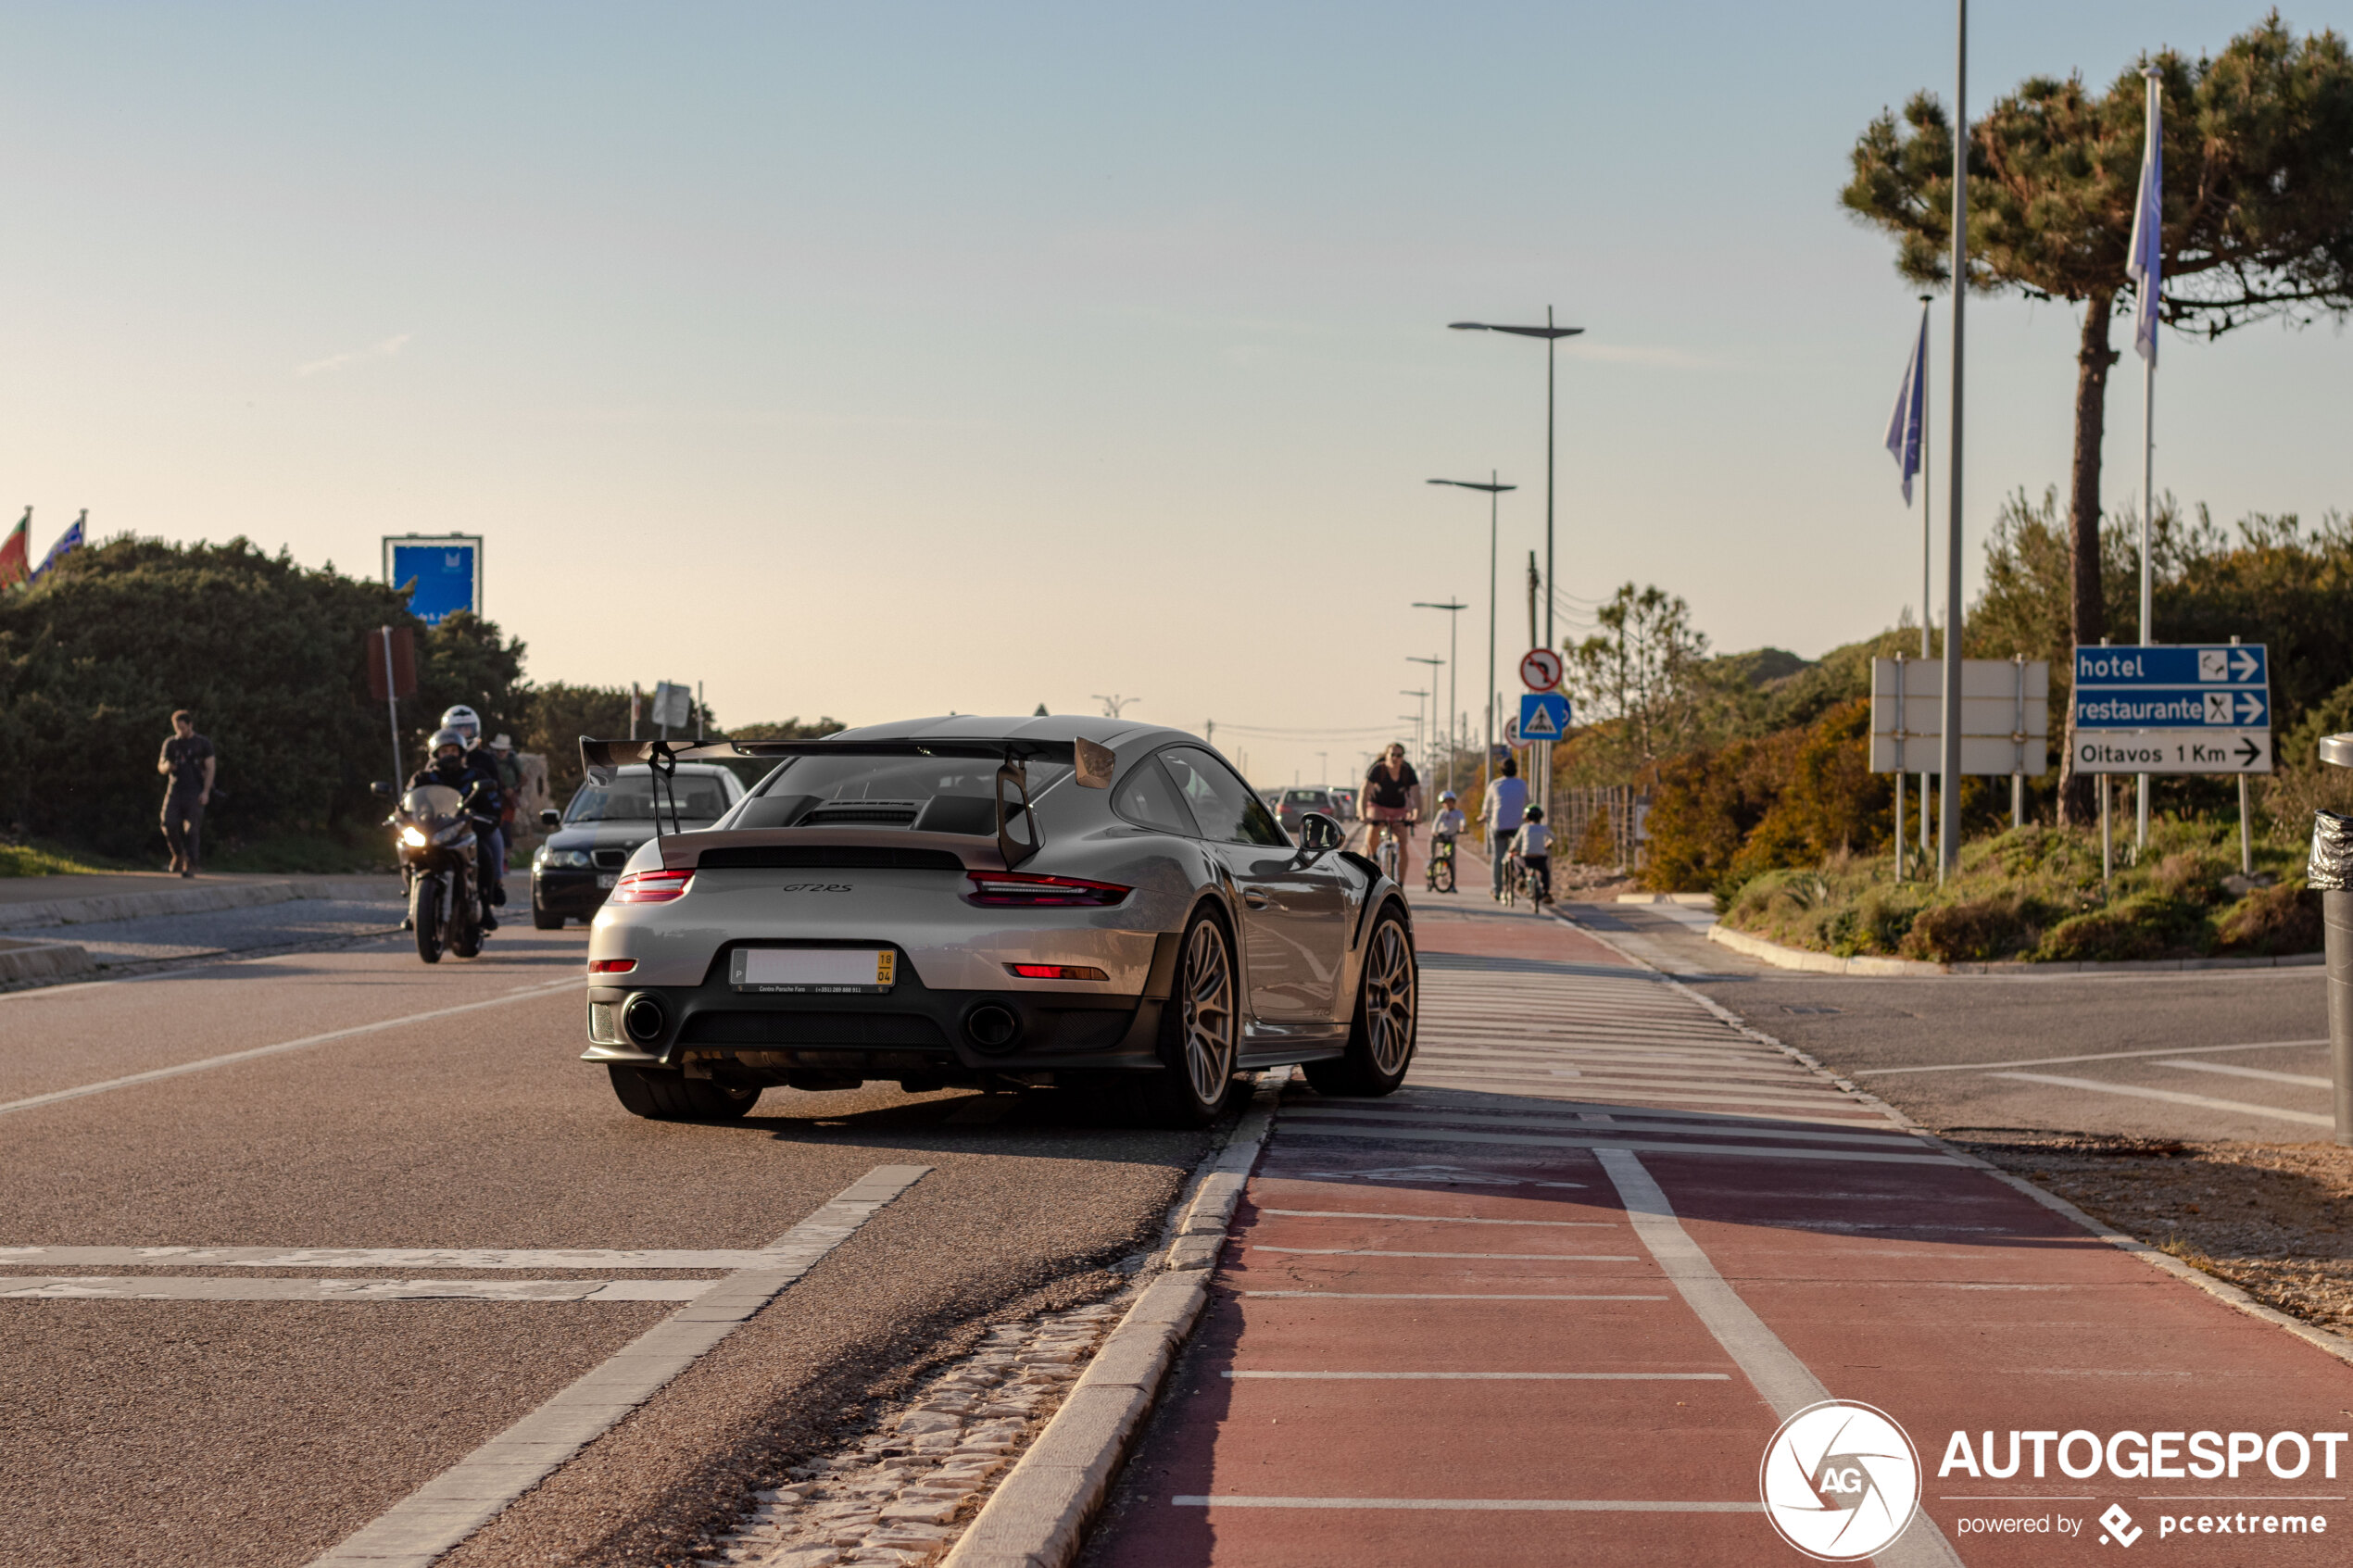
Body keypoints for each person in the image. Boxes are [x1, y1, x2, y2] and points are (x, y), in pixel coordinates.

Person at [409, 728, 502, 930]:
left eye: (453, 750)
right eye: (444, 751)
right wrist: (401, 817)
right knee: (406, 851)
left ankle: (485, 907)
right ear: (435, 754)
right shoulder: (422, 778)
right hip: (431, 833)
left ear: (461, 753)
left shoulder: (475, 776)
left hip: (464, 833)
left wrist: (480, 823)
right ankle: (413, 906)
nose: (449, 755)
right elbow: (407, 805)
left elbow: (493, 807)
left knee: (484, 855)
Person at [437, 705, 508, 908]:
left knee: (492, 841)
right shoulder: (435, 762)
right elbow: (421, 789)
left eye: (465, 730)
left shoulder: (484, 760)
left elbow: (496, 791)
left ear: (475, 730)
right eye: (456, 730)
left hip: (474, 819)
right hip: (442, 822)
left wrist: (489, 813)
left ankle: (495, 884)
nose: (461, 734)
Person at [157, 710, 215, 877]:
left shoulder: (203, 743)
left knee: (192, 830)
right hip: (174, 791)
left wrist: (206, 791)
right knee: (167, 823)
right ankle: (178, 855)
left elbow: (211, 768)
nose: (179, 732)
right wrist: (167, 767)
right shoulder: (171, 743)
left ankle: (190, 864)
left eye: (182, 728)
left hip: (195, 791)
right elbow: (160, 765)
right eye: (177, 728)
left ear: (190, 725)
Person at [1361, 742, 1421, 884]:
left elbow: (1416, 795)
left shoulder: (1407, 771)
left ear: (1403, 757)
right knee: (1374, 827)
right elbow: (1364, 792)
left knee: (1402, 843)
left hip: (1398, 809)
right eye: (1392, 755)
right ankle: (1373, 855)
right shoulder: (1377, 769)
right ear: (1386, 755)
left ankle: (1400, 883)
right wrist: (1363, 814)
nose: (1395, 758)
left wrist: (1417, 815)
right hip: (1378, 805)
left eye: (1399, 755)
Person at [1480, 757, 1529, 901]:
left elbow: (1486, 809)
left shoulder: (1495, 785)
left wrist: (1483, 817)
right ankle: (1521, 878)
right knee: (1519, 853)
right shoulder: (1521, 784)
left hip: (1498, 827)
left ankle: (1496, 890)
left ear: (1501, 770)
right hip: (1517, 828)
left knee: (1497, 857)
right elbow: (1528, 804)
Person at [1511, 804, 1554, 906]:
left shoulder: (1524, 827)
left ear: (1527, 816)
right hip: (1540, 859)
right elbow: (1553, 838)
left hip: (1526, 859)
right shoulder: (1544, 828)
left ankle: (1521, 877)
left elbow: (1516, 842)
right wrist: (1547, 844)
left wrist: (1512, 849)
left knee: (1516, 859)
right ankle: (1546, 892)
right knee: (1545, 872)